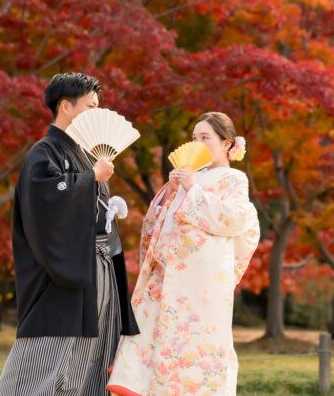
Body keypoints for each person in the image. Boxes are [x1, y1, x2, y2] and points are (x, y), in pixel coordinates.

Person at [0, 72, 140, 396]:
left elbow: (90, 210)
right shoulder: (42, 154)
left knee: (93, 358)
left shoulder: (87, 155)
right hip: (62, 277)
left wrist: (107, 207)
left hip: (99, 269)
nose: (98, 114)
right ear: (65, 106)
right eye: (91, 106)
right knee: (48, 360)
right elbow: (46, 204)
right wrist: (90, 179)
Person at [107, 111, 260, 396]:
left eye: (206, 137)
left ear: (227, 143)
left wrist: (192, 189)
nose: (199, 143)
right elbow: (157, 222)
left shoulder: (234, 180)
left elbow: (234, 220)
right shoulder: (191, 175)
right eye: (194, 138)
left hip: (199, 283)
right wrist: (169, 192)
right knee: (147, 338)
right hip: (165, 274)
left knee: (194, 346)